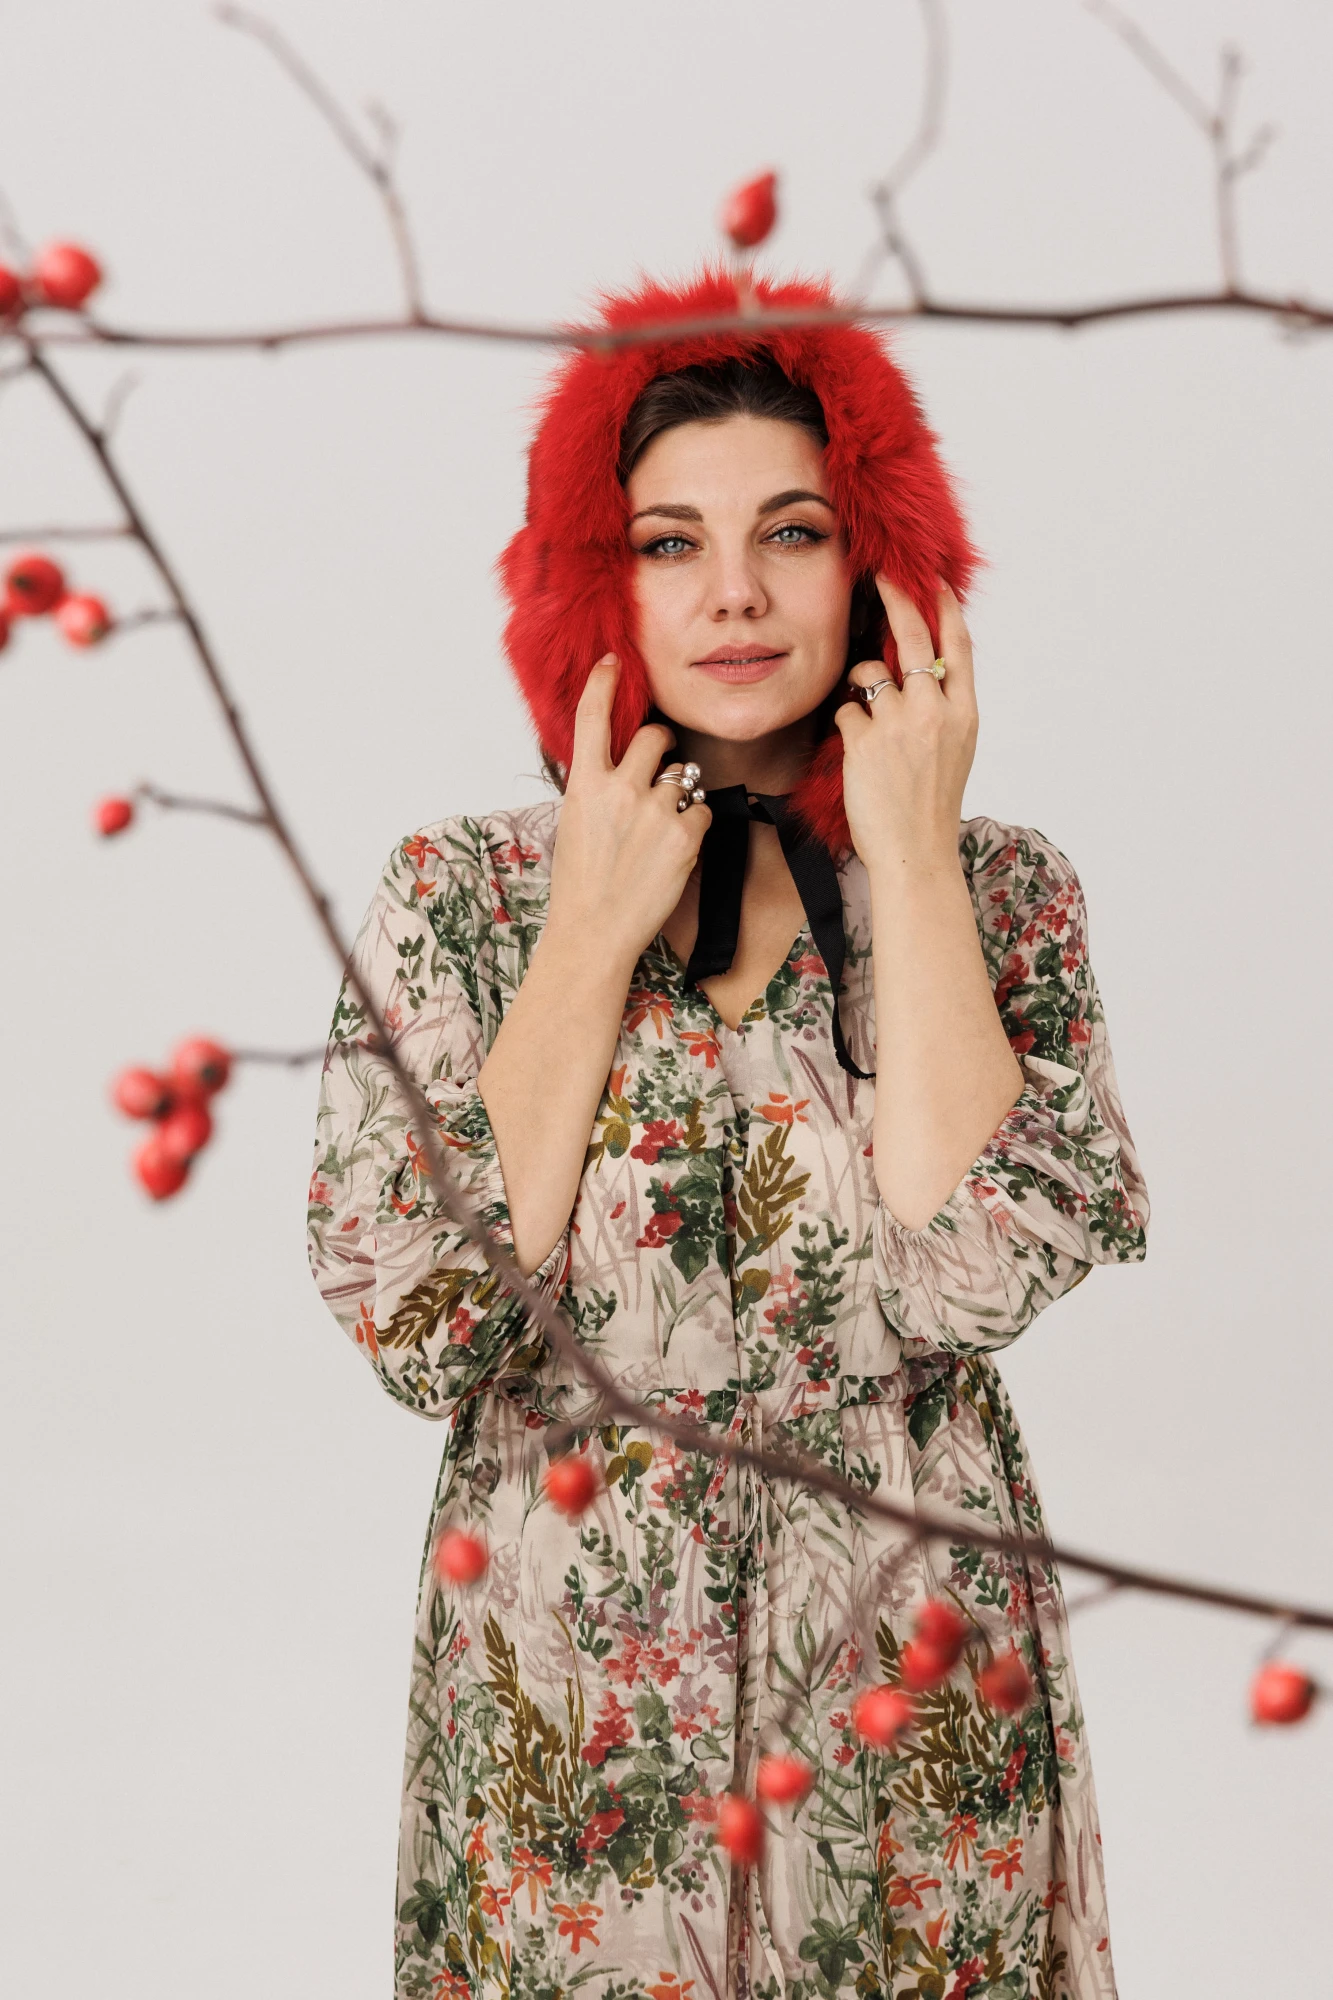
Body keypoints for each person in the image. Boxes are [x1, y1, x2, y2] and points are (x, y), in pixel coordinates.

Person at [308, 269, 1149, 2000]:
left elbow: (975, 1276)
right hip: (574, 1708)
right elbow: (421, 1321)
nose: (738, 593)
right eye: (669, 543)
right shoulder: (463, 899)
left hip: (908, 1691)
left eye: (796, 531)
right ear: (594, 579)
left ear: (884, 565)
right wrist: (587, 932)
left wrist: (913, 862)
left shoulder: (1006, 893)